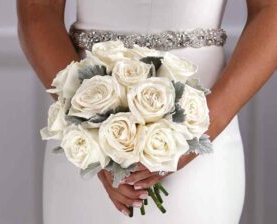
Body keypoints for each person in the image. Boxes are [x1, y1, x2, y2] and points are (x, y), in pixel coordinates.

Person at [17, 0, 277, 223]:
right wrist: (90, 128)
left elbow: (270, 10)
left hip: (202, 125)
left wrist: (199, 130)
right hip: (84, 128)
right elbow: (38, 8)